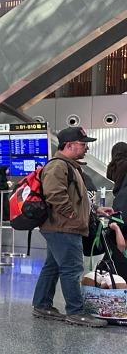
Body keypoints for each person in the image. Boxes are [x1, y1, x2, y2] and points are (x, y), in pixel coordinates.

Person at [31, 126, 113, 327]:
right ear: (69, 145)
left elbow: (77, 198)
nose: (86, 148)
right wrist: (74, 218)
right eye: (83, 144)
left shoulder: (71, 166)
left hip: (62, 226)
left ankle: (42, 304)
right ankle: (76, 312)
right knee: (72, 268)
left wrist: (95, 210)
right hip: (63, 227)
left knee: (53, 267)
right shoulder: (58, 166)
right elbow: (55, 195)